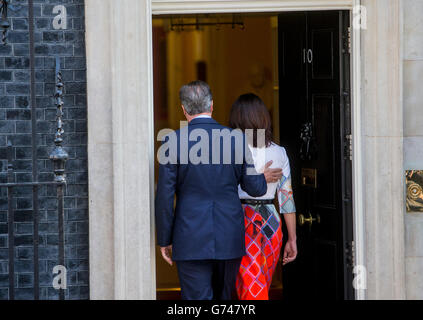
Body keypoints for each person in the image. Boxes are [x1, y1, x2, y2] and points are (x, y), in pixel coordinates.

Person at [155, 81, 283, 300]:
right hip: (229, 236)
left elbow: (164, 197)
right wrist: (262, 178)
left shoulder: (172, 141)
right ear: (212, 105)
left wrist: (164, 239)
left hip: (190, 237)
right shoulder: (237, 139)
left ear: (183, 109)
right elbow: (255, 188)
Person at [229, 93, 298, 300]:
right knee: (260, 287)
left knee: (250, 288)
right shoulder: (280, 152)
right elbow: (286, 199)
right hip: (272, 224)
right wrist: (292, 238)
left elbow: (223, 187)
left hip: (241, 221)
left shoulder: (232, 150)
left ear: (237, 119)